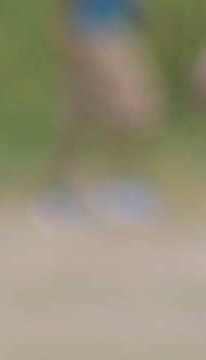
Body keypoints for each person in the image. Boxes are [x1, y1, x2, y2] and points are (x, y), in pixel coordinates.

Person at [43, 0, 164, 221]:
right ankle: (108, 188)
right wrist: (67, 35)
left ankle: (107, 186)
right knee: (124, 109)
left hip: (119, 32)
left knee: (89, 113)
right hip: (92, 31)